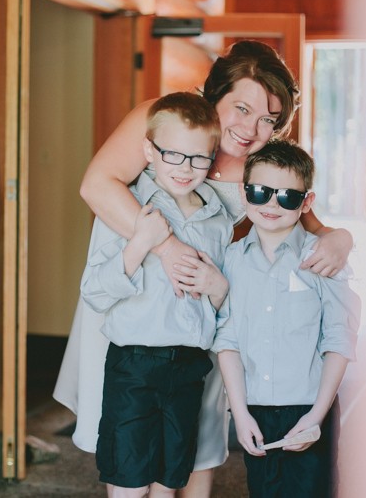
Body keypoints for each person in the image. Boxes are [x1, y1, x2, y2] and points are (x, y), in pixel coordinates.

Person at [54, 40, 354, 497]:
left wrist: (342, 238)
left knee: (195, 434)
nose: (252, 127)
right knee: (128, 436)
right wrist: (166, 248)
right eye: (241, 107)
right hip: (135, 297)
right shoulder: (163, 117)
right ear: (215, 93)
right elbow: (97, 184)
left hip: (201, 319)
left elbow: (310, 224)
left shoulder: (261, 162)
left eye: (269, 118)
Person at [80, 92, 233, 497]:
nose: (186, 168)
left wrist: (218, 290)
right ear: (149, 149)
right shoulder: (131, 207)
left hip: (188, 368)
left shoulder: (219, 221)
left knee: (168, 484)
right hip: (135, 367)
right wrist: (140, 243)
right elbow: (94, 292)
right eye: (173, 155)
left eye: (199, 158)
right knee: (130, 485)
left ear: (213, 156)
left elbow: (219, 313)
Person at [212, 141, 360, 498]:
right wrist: (240, 412)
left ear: (306, 202)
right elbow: (227, 338)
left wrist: (317, 415)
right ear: (244, 193)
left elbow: (339, 340)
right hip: (256, 409)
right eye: (260, 192)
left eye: (288, 197)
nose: (272, 205)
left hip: (309, 406)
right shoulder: (231, 259)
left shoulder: (324, 258)